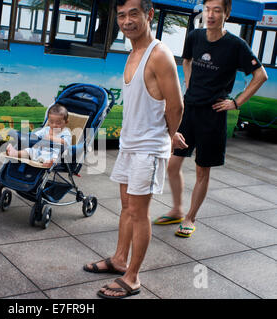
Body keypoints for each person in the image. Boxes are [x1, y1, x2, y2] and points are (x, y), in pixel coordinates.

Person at [83, 0, 184, 299]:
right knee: (127, 207)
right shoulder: (133, 51)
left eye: (133, 14)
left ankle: (133, 277)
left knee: (140, 213)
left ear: (149, 15)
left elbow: (176, 104)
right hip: (130, 145)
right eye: (122, 15)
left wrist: (169, 135)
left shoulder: (159, 54)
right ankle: (118, 260)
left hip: (148, 149)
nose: (126, 21)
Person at [153, 0, 268, 237]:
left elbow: (260, 75)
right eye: (208, 9)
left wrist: (236, 102)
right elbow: (186, 60)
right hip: (189, 110)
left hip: (213, 115)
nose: (211, 14)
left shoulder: (236, 45)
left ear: (226, 13)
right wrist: (188, 83)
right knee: (172, 164)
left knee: (202, 170)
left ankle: (190, 217)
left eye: (217, 10)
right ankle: (176, 209)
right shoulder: (195, 36)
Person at [6, 103, 72, 167]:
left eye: (58, 123)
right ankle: (15, 153)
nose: (54, 125)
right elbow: (35, 136)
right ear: (48, 120)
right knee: (29, 151)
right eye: (51, 122)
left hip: (54, 153)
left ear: (66, 122)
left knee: (56, 157)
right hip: (40, 151)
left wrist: (51, 138)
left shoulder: (65, 132)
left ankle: (51, 163)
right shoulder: (46, 130)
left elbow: (65, 142)